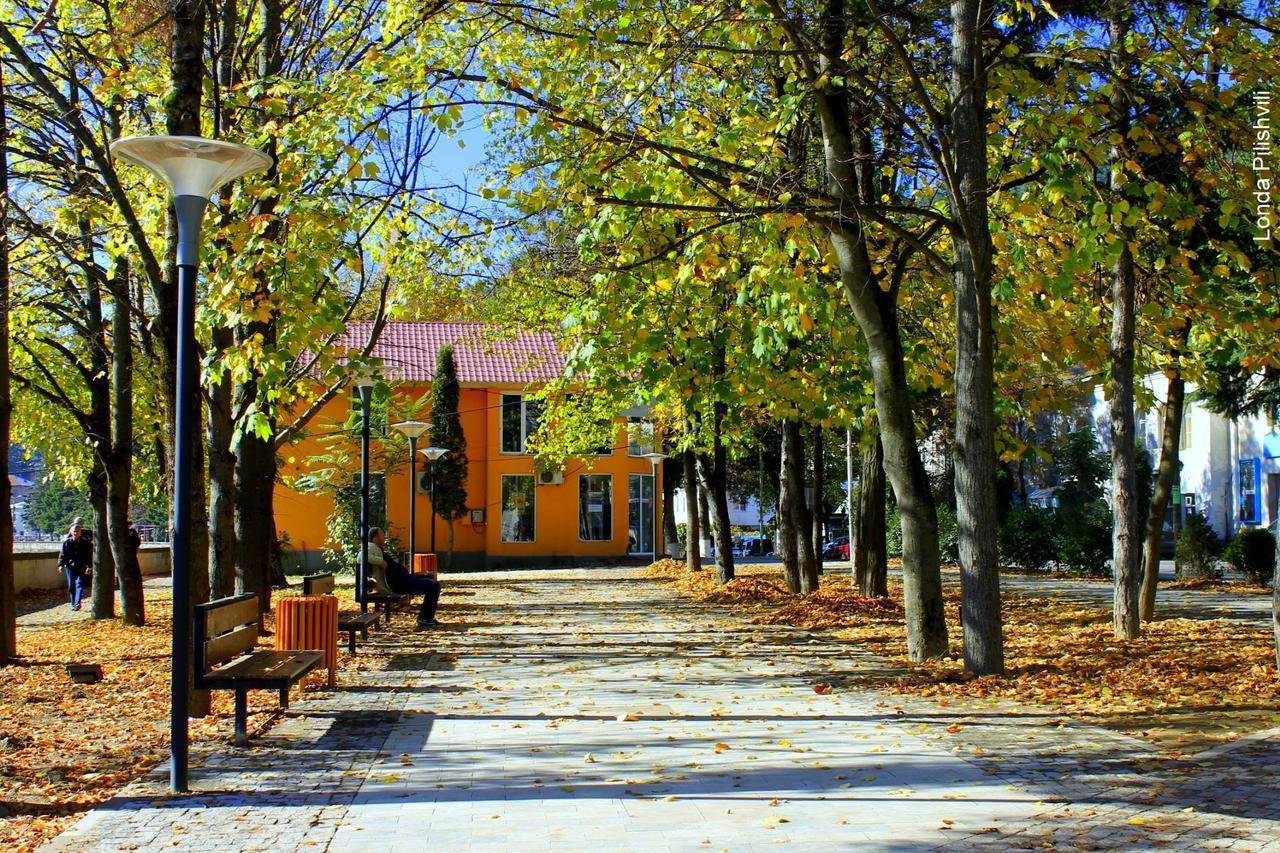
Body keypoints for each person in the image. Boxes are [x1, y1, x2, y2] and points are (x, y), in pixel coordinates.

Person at [367, 527, 441, 628]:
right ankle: (425, 618)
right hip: (397, 583)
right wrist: (381, 562)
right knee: (433, 586)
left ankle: (425, 617)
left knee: (433, 584)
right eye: (382, 535)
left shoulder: (376, 548)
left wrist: (401, 568)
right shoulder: (370, 547)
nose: (384, 537)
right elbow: (361, 556)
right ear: (375, 538)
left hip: (402, 580)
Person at [58, 517, 93, 611]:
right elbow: (63, 554)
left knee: (79, 584)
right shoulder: (67, 542)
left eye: (77, 531)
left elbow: (88, 555)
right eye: (74, 531)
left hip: (81, 566)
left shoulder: (85, 542)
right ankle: (73, 603)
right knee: (71, 586)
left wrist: (89, 566)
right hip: (70, 567)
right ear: (72, 531)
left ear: (80, 531)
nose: (75, 533)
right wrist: (60, 565)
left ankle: (77, 603)